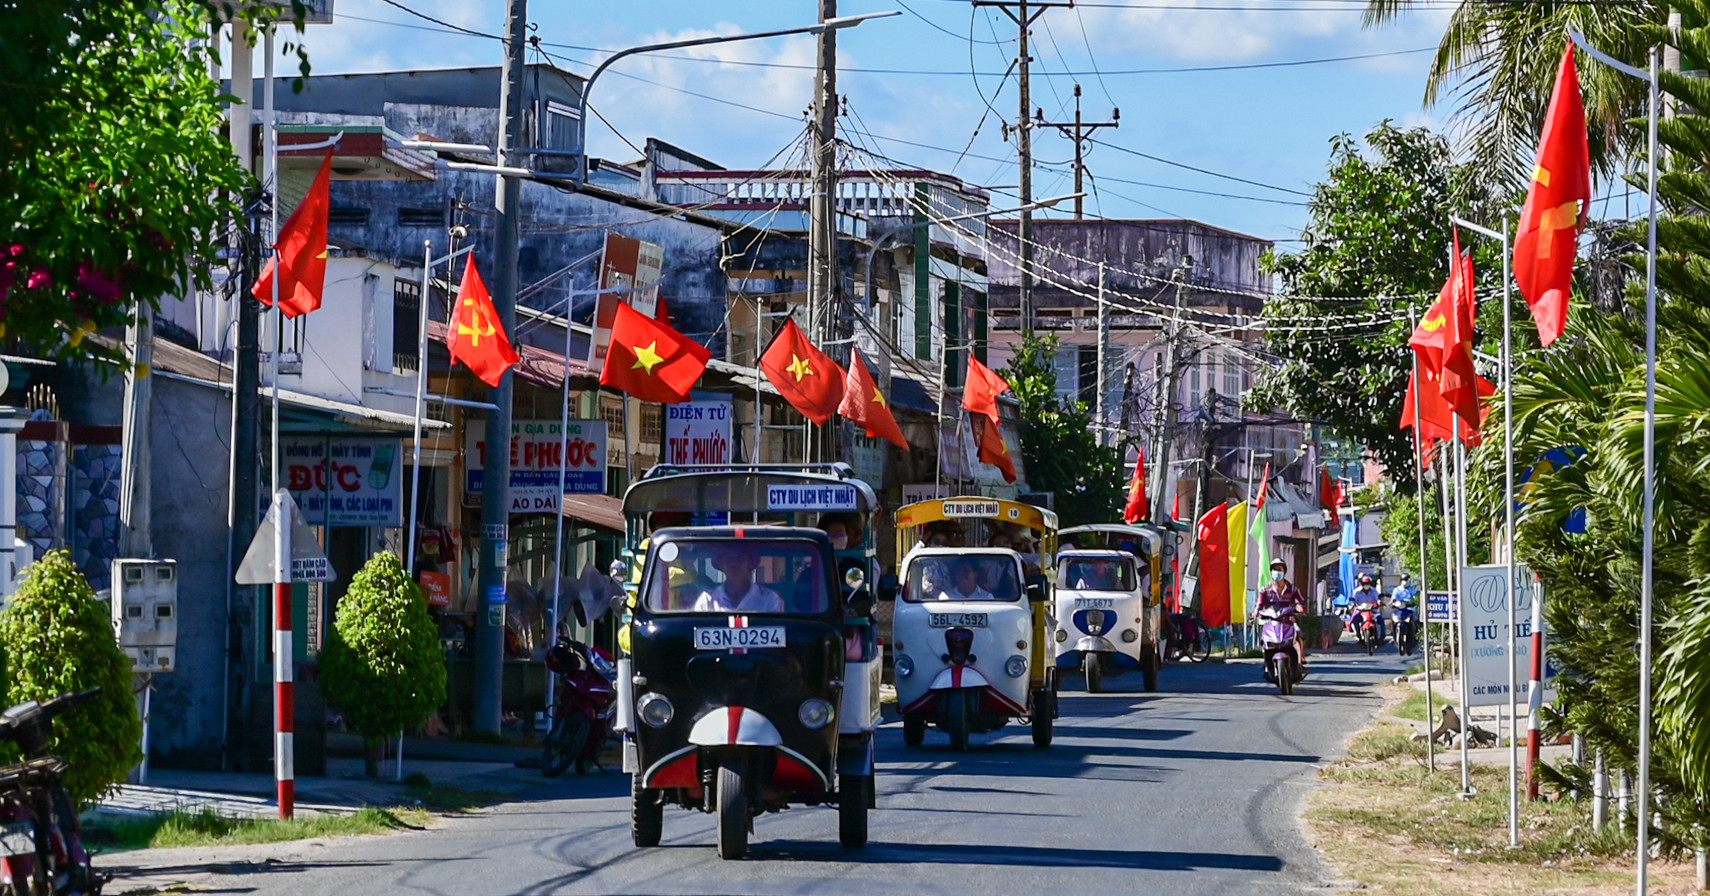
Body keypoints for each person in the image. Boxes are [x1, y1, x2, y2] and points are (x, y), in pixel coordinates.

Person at [693, 545, 785, 613]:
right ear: (721, 565)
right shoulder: (707, 600)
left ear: (750, 563)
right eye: (729, 559)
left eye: (739, 559)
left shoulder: (769, 599)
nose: (734, 565)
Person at [1257, 559, 1308, 674]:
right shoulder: (1265, 590)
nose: (1277, 572)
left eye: (1279, 569)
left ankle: (1300, 659)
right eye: (1275, 569)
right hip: (1272, 621)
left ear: (1284, 571)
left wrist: (1299, 607)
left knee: (1299, 635)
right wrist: (1256, 612)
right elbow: (1259, 604)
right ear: (1271, 572)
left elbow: (1301, 601)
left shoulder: (1293, 589)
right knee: (1264, 640)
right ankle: (1266, 663)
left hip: (1288, 620)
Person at [1351, 573, 1385, 641]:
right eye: (1364, 583)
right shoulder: (1356, 592)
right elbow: (1354, 601)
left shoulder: (1374, 591)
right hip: (1361, 611)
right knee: (1355, 619)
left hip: (1373, 611)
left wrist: (1379, 603)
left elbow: (1377, 599)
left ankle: (1381, 637)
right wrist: (1353, 605)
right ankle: (1358, 635)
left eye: (1368, 583)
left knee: (1380, 620)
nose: (1366, 585)